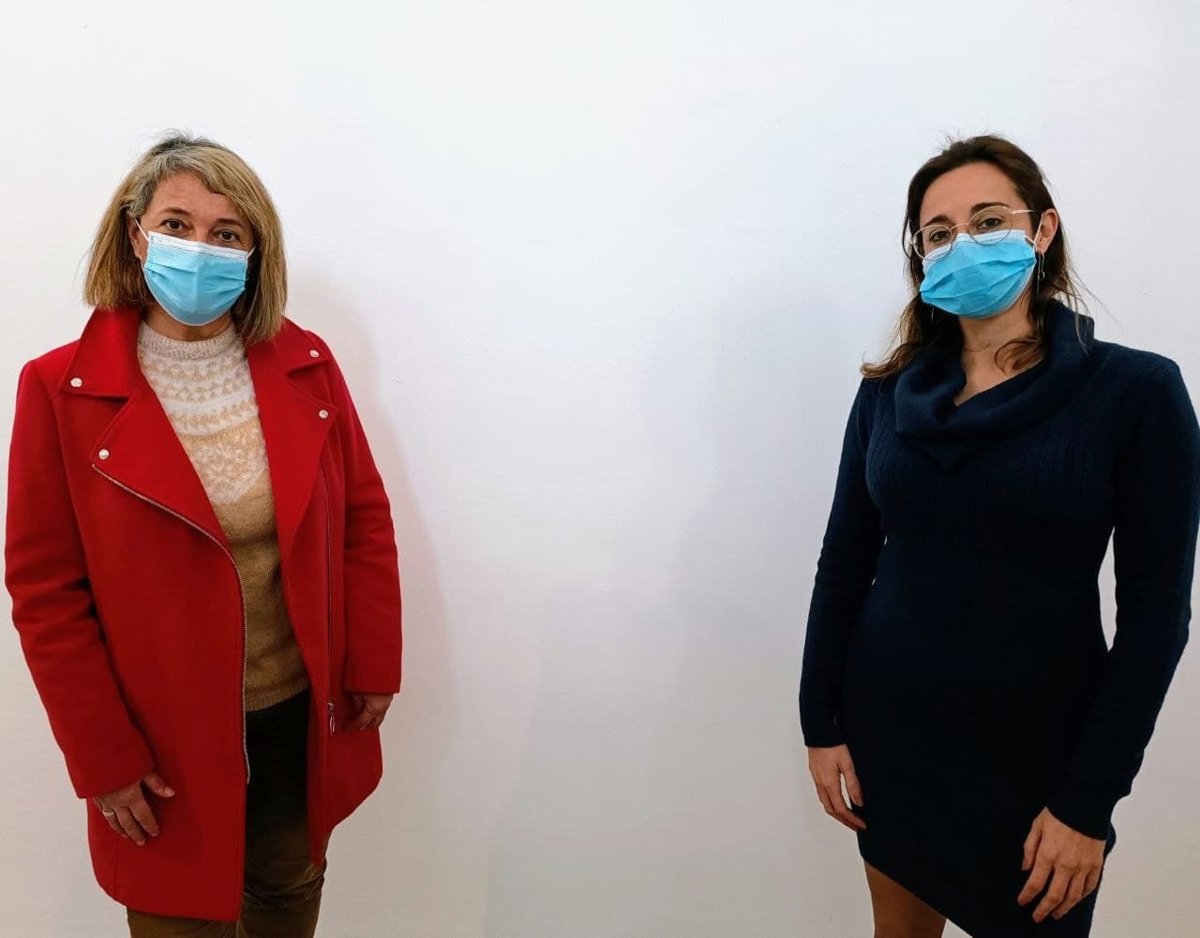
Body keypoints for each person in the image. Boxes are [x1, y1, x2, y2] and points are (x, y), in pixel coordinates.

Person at [798, 135, 1200, 937]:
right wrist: (821, 720)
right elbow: (844, 562)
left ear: (1042, 230)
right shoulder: (886, 394)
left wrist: (1088, 803)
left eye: (988, 222)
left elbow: (1156, 618)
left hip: (1038, 761)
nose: (963, 245)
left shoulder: (1135, 394)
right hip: (891, 737)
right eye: (939, 233)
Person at [5, 133, 403, 936]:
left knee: (288, 892)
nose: (200, 249)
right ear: (135, 235)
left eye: (227, 233)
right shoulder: (59, 389)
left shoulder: (306, 364)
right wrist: (102, 754)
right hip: (161, 739)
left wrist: (372, 660)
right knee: (179, 919)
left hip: (298, 714)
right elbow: (46, 591)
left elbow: (362, 515)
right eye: (176, 225)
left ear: (254, 254)